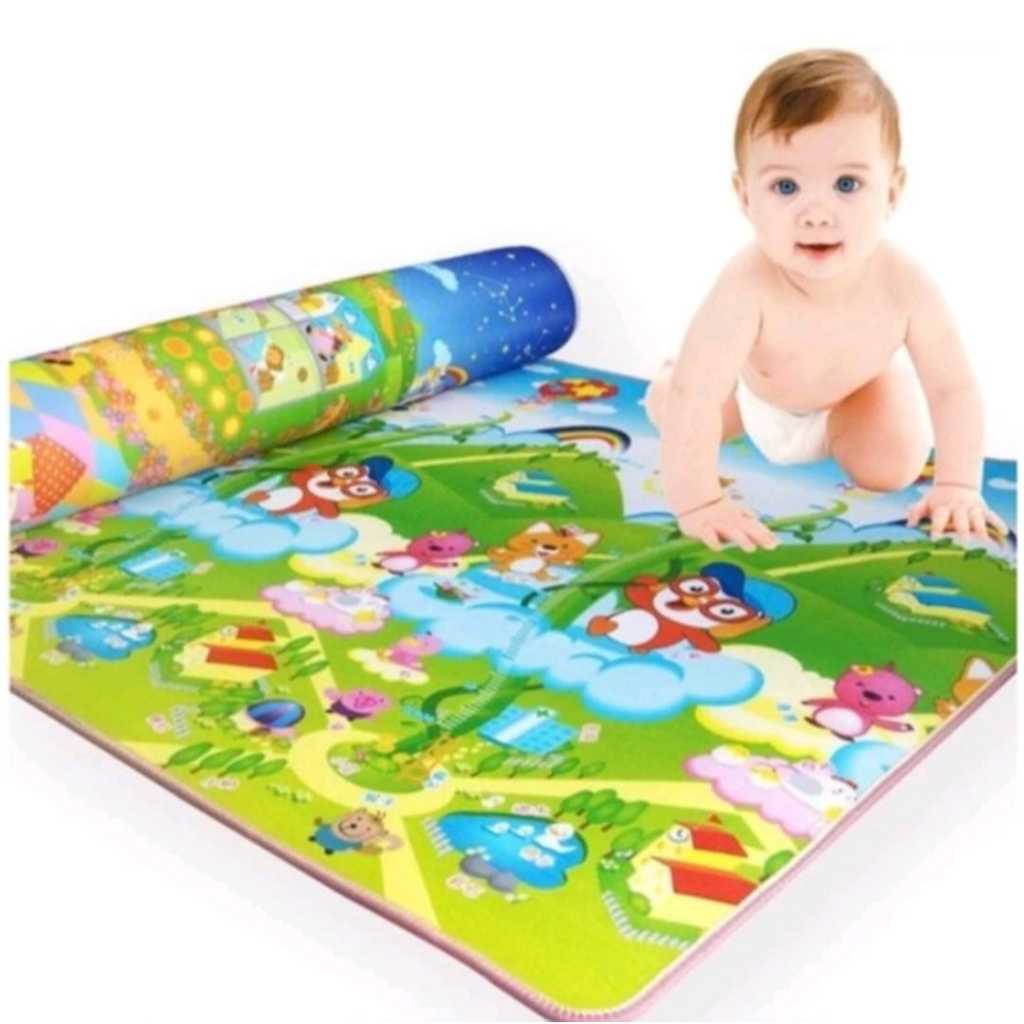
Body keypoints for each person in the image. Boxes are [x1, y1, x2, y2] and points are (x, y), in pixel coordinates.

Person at [643, 48, 1008, 553]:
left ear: (892, 191)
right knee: (678, 404)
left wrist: (959, 484)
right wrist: (699, 502)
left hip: (852, 400)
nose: (817, 213)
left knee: (895, 465)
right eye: (786, 186)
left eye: (847, 184)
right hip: (755, 403)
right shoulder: (747, 284)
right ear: (745, 197)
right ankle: (674, 375)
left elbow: (952, 388)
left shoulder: (905, 284)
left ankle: (858, 424)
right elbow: (697, 395)